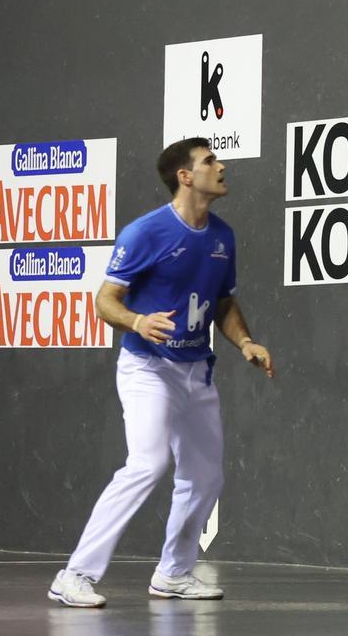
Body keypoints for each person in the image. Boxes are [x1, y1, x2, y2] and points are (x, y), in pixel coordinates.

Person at [48, 137, 274, 608]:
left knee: (206, 477)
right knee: (147, 464)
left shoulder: (223, 237)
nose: (221, 166)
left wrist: (245, 342)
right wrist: (136, 321)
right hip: (147, 369)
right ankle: (74, 575)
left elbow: (223, 302)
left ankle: (173, 573)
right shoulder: (146, 232)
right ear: (185, 176)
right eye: (210, 161)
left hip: (197, 371)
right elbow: (105, 300)